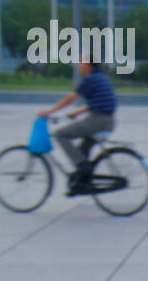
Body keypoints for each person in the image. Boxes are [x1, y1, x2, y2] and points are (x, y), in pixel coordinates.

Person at [38, 55, 117, 196]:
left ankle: (83, 166)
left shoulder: (90, 79)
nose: (79, 65)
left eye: (81, 62)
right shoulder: (101, 78)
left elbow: (70, 98)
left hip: (98, 120)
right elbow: (99, 102)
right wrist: (77, 112)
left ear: (88, 65)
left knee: (60, 134)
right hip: (107, 121)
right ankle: (82, 181)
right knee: (82, 149)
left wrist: (49, 111)